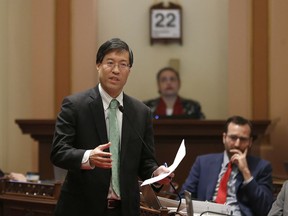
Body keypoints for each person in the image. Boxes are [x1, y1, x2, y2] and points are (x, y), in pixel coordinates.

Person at [50, 38, 173, 216]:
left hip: (125, 210)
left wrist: (157, 173)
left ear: (129, 71)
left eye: (123, 64)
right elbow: (58, 151)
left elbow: (146, 161)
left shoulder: (141, 112)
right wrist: (88, 157)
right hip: (81, 208)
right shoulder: (75, 105)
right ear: (98, 65)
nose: (116, 70)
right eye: (110, 63)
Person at [179, 115, 274, 216]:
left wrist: (246, 172)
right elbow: (183, 198)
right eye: (233, 138)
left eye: (243, 139)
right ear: (224, 138)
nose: (237, 144)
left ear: (250, 142)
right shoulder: (203, 162)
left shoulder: (262, 167)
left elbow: (265, 209)